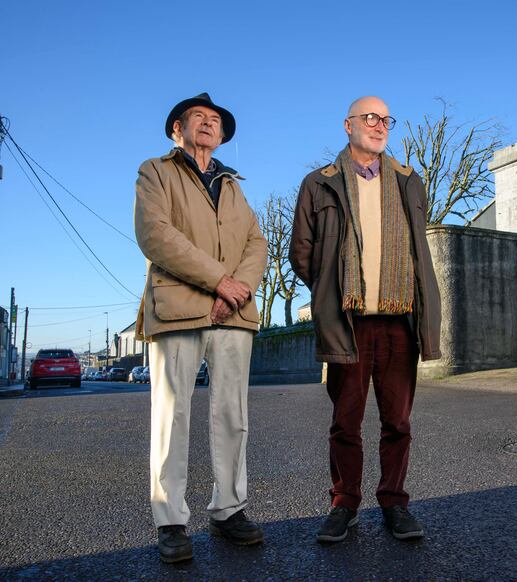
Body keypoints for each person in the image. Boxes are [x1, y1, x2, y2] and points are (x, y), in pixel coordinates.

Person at [290, 96, 442, 543]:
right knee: (346, 422)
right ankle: (344, 504)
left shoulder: (409, 181)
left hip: (399, 321)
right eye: (369, 118)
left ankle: (394, 503)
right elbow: (302, 252)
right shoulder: (319, 183)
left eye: (385, 119)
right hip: (349, 322)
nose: (378, 125)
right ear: (348, 126)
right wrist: (331, 292)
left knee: (398, 422)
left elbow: (415, 247)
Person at [134, 92, 267, 563]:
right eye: (198, 118)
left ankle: (228, 509)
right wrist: (219, 281)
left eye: (215, 120)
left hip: (234, 312)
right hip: (177, 309)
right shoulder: (156, 171)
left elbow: (256, 242)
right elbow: (155, 233)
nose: (209, 124)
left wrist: (237, 289)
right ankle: (170, 519)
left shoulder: (233, 186)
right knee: (172, 417)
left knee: (233, 415)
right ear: (178, 129)